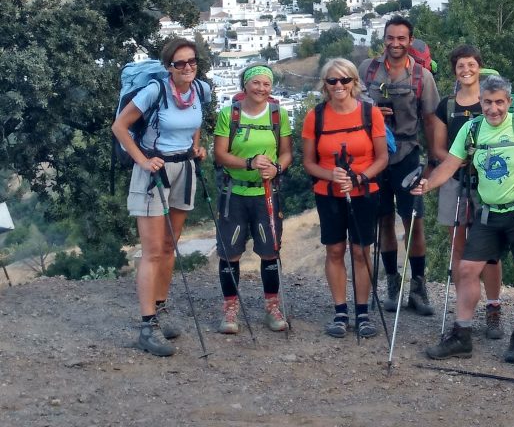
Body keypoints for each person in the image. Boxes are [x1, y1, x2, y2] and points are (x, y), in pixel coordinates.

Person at [413, 75, 514, 362]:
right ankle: (462, 336)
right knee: (467, 269)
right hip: (488, 211)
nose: (493, 108)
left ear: (509, 102)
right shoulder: (472, 129)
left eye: (499, 102)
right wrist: (427, 185)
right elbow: (450, 164)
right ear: (481, 102)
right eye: (487, 102)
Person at [112, 38, 210, 357]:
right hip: (154, 172)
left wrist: (195, 146)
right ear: (169, 66)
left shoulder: (200, 90)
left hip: (184, 168)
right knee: (153, 251)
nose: (188, 67)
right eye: (180, 63)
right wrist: (142, 161)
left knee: (170, 246)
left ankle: (161, 308)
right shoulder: (155, 91)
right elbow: (120, 127)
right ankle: (147, 325)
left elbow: (195, 123)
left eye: (192, 61)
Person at [359, 16, 441, 316]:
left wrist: (433, 161)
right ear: (383, 39)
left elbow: (431, 120)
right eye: (390, 38)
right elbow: (352, 106)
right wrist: (371, 112)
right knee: (383, 221)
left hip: (407, 153)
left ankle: (418, 287)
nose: (395, 43)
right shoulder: (367, 70)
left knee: (414, 222)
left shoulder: (422, 77)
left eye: (401, 38)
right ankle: (392, 284)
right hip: (374, 154)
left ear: (410, 40)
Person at [302, 58, 389, 339]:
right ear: (325, 85)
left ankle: (362, 312)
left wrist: (360, 178)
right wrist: (331, 175)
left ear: (354, 82)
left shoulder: (369, 113)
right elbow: (309, 163)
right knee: (335, 250)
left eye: (344, 80)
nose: (338, 85)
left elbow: (382, 157)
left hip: (364, 191)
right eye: (332, 80)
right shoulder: (315, 116)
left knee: (361, 251)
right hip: (329, 194)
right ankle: (340, 311)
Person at [212, 63, 293, 334]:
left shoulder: (278, 115)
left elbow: (287, 153)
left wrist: (277, 168)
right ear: (245, 85)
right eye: (256, 83)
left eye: (266, 84)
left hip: (266, 192)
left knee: (270, 250)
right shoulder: (229, 114)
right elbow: (219, 155)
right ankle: (230, 309)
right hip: (234, 192)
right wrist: (248, 163)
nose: (261, 88)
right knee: (230, 252)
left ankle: (272, 307)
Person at [429, 44, 504, 339]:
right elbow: (437, 146)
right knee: (458, 247)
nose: (466, 70)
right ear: (454, 71)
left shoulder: (491, 101)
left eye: (471, 64)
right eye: (460, 65)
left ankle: (494, 308)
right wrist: (456, 160)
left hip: (489, 180)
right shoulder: (446, 105)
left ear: (480, 67)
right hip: (455, 179)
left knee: (490, 249)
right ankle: (465, 313)